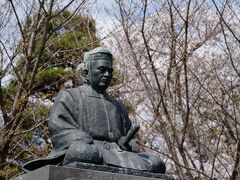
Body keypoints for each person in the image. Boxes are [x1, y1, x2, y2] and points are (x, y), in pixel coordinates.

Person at [22, 47, 165, 173]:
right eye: (102, 70)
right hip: (91, 149)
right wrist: (80, 138)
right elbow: (58, 126)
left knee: (156, 163)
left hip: (120, 153)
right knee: (83, 153)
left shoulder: (118, 105)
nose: (107, 75)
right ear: (87, 71)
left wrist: (128, 143)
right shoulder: (70, 96)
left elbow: (130, 137)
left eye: (110, 71)